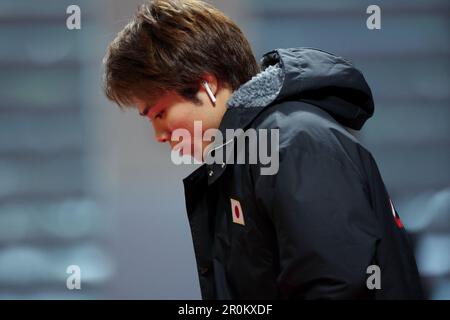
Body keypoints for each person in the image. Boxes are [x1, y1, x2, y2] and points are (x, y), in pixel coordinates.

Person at [102, 0, 423, 299]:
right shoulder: (248, 151)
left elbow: (337, 284)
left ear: (206, 86)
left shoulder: (293, 141)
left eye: (159, 113)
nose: (159, 134)